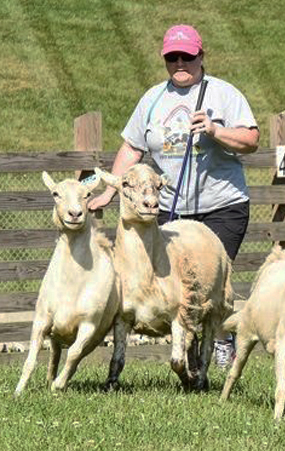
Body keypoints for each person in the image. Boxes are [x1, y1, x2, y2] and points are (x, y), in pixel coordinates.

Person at [89, 24, 259, 368]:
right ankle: (191, 358)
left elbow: (251, 140)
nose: (180, 63)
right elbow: (133, 147)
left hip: (221, 207)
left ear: (201, 56)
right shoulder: (153, 99)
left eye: (187, 56)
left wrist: (215, 130)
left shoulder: (223, 94)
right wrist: (109, 190)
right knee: (175, 285)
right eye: (172, 57)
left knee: (206, 283)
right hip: (169, 209)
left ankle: (218, 340)